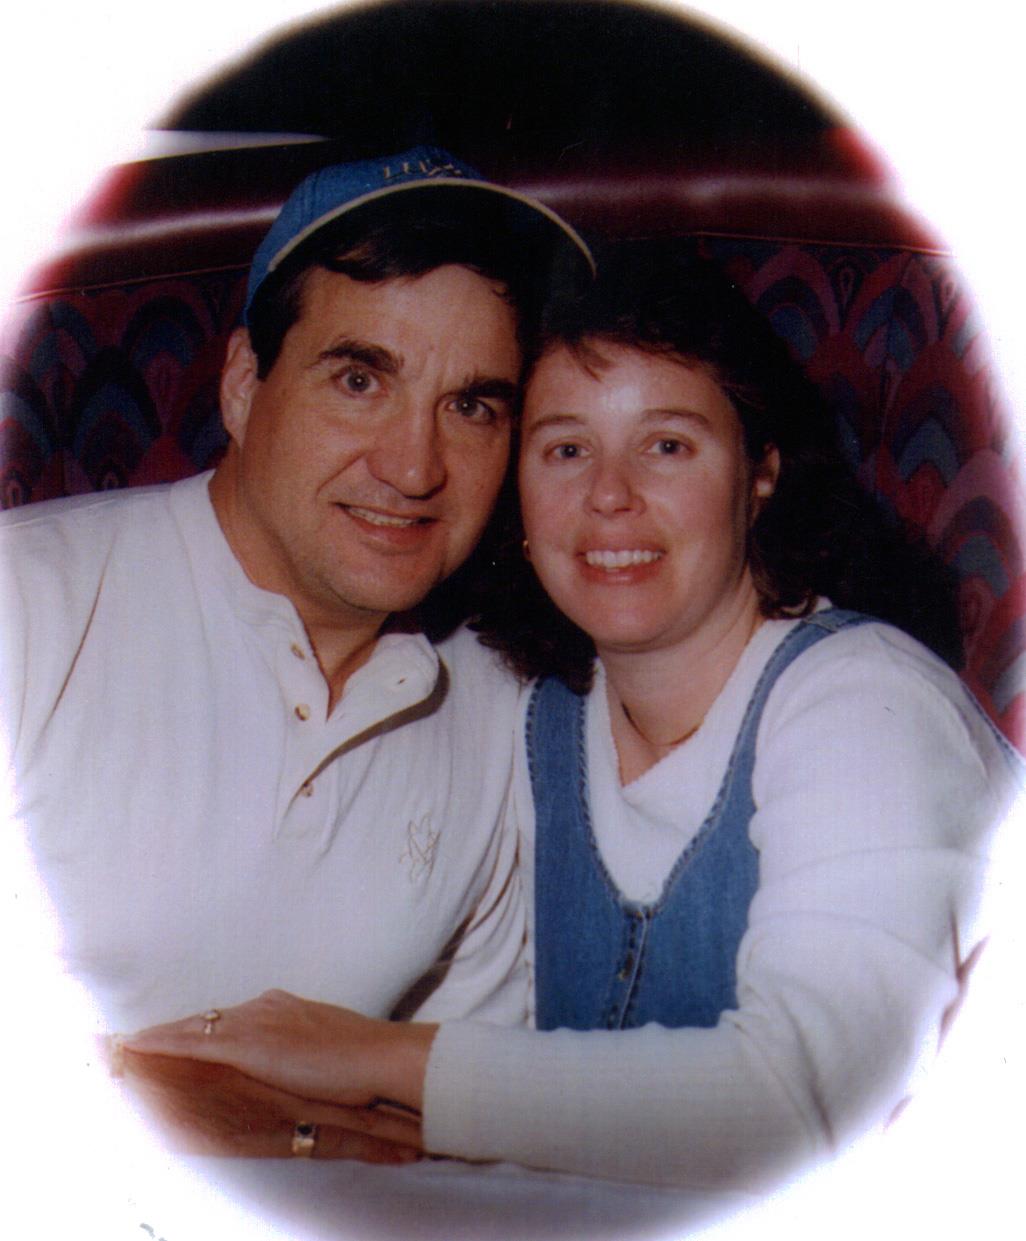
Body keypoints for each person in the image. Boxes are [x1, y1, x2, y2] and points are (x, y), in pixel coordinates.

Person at [126, 246, 1020, 1188]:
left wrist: (371, 1055)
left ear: (760, 471)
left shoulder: (867, 704)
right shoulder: (537, 715)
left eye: (667, 445)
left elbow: (808, 1101)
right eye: (565, 449)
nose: (609, 495)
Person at [0, 146, 593, 1158]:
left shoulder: (501, 711)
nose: (414, 466)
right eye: (359, 379)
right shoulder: (31, 604)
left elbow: (457, 1134)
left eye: (471, 405)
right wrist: (157, 1102)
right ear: (242, 384)